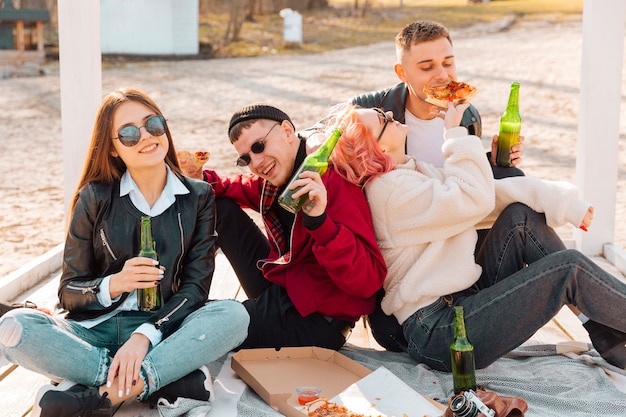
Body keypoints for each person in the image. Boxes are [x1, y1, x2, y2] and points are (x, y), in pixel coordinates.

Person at [0, 87, 249, 417]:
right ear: (114, 149)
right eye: (129, 133)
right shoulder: (95, 197)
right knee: (15, 326)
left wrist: (145, 335)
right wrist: (114, 284)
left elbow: (195, 288)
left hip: (164, 329)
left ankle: (102, 394)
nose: (146, 136)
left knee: (234, 316)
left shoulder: (198, 196)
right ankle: (161, 378)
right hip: (94, 333)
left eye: (153, 124)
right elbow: (69, 291)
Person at [326, 102, 626, 371]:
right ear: (373, 149)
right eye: (381, 119)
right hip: (439, 332)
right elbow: (474, 197)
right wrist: (455, 134)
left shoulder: (411, 170)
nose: (389, 114)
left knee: (519, 218)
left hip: (462, 301)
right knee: (568, 268)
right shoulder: (388, 191)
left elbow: (489, 199)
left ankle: (607, 334)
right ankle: (608, 329)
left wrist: (562, 203)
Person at [199, 104, 387, 351]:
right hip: (286, 286)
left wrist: (320, 223)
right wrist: (197, 177)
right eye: (246, 158)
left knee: (203, 326)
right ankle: (186, 292)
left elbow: (368, 281)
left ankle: (191, 312)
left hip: (317, 320)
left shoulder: (332, 178)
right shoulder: (274, 179)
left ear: (287, 130)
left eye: (259, 146)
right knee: (216, 205)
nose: (255, 162)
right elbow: (232, 185)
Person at [348, 19, 524, 178]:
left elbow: (461, 179)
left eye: (448, 63)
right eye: (427, 67)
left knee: (513, 175)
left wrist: (491, 161)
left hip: (447, 206)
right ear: (402, 73)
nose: (442, 75)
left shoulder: (468, 116)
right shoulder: (367, 109)